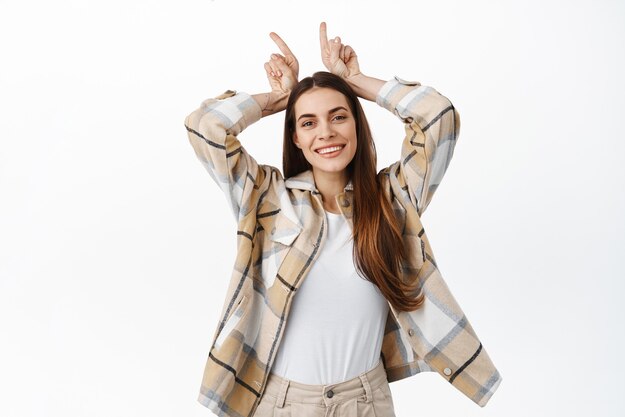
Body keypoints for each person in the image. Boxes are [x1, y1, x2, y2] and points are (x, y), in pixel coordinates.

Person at [184, 22, 502, 417]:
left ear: (356, 123)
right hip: (282, 403)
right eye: (308, 122)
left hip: (365, 401)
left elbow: (439, 117)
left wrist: (356, 81)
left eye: (339, 116)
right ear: (296, 137)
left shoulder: (392, 199)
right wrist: (278, 98)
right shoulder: (267, 197)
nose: (326, 132)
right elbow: (206, 128)